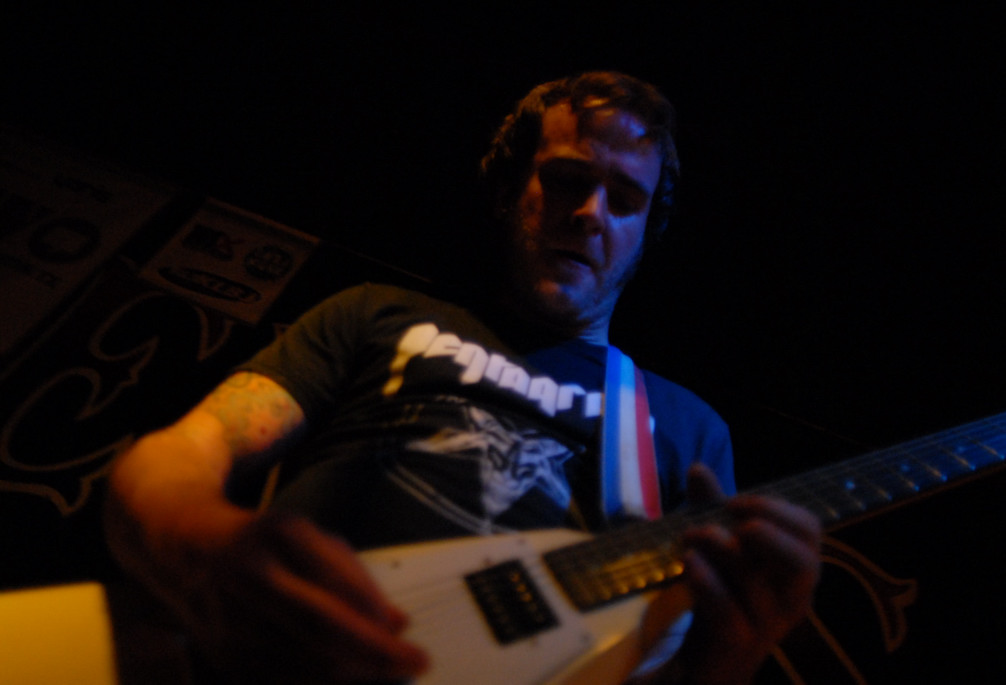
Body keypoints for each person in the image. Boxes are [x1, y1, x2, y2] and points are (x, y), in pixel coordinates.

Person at [105, 71, 821, 684]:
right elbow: (174, 457)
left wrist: (729, 656)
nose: (589, 214)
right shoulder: (376, 313)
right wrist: (204, 544)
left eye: (625, 199)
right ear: (510, 187)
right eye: (567, 179)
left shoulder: (687, 429)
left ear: (644, 233)